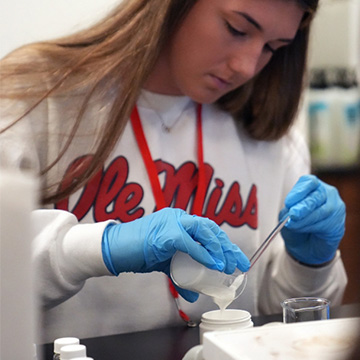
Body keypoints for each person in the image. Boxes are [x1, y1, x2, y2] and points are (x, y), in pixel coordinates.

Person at [0, 0, 347, 343]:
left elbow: (275, 318)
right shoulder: (34, 98)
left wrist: (309, 265)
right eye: (237, 29)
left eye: (273, 47)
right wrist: (94, 249)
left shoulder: (270, 133)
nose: (246, 66)